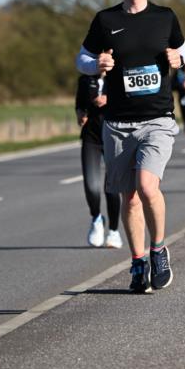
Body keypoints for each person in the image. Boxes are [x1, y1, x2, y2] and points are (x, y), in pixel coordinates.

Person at [76, 0, 185, 294]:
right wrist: (96, 63)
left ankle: (158, 251)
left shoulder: (164, 17)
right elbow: (80, 59)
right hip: (118, 124)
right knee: (129, 198)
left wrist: (178, 58)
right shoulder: (105, 20)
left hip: (157, 118)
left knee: (147, 185)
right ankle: (138, 262)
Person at [75, 74, 122, 248]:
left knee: (111, 186)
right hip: (91, 136)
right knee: (91, 185)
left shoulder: (119, 75)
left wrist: (109, 99)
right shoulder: (85, 79)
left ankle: (114, 232)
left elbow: (128, 101)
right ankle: (96, 218)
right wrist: (80, 113)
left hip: (114, 134)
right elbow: (79, 103)